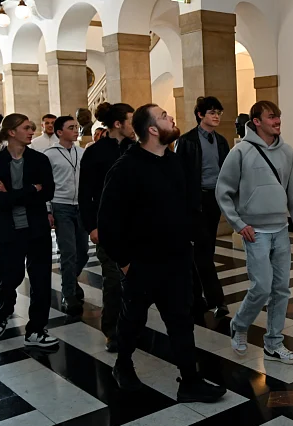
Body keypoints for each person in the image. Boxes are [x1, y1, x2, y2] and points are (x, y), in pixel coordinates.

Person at [98, 104, 226, 403]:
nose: (171, 118)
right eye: (164, 116)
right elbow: (108, 220)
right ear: (152, 130)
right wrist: (125, 261)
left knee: (181, 320)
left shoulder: (175, 162)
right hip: (142, 261)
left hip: (177, 258)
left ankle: (190, 380)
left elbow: (189, 205)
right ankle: (123, 364)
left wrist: (194, 241)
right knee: (133, 319)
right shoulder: (126, 167)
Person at [216, 100, 293, 364]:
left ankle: (274, 343)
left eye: (278, 116)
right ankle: (240, 324)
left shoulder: (287, 152)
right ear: (256, 121)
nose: (277, 121)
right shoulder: (241, 152)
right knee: (261, 287)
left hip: (280, 230)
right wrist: (239, 224)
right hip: (255, 232)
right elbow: (224, 191)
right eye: (271, 117)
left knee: (281, 289)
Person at [0, 114, 58, 348]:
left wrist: (13, 193)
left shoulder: (39, 160)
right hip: (8, 231)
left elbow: (47, 192)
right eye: (26, 128)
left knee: (40, 281)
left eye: (32, 128)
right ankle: (3, 312)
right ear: (11, 132)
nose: (31, 131)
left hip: (36, 229)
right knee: (8, 279)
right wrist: (31, 190)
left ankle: (36, 329)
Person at [78, 102, 135, 352]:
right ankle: (112, 331)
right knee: (113, 281)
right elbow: (85, 194)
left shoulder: (137, 149)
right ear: (117, 124)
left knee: (135, 281)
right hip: (108, 227)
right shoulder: (95, 152)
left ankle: (132, 326)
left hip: (136, 226)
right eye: (131, 120)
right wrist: (92, 227)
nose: (136, 126)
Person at [175, 96, 231, 319]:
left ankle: (195, 298)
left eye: (218, 112)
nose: (216, 116)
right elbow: (179, 175)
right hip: (195, 201)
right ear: (200, 115)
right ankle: (217, 299)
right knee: (204, 251)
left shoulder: (221, 141)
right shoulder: (187, 141)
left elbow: (227, 171)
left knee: (204, 250)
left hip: (214, 200)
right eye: (211, 112)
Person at [43, 115, 88, 319]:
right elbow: (45, 184)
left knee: (83, 252)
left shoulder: (82, 152)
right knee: (68, 252)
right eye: (71, 127)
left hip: (81, 206)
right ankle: (68, 293)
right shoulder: (50, 154)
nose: (76, 130)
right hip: (61, 206)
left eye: (77, 127)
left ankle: (72, 281)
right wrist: (48, 210)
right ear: (60, 132)